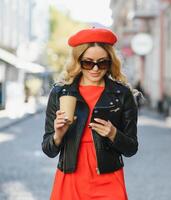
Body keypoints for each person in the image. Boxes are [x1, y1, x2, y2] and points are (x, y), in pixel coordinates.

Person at [42, 27, 138, 200]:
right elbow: (48, 150)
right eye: (88, 63)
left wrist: (113, 134)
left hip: (109, 178)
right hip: (71, 177)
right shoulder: (60, 92)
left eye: (102, 63)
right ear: (78, 61)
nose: (95, 69)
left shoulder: (122, 94)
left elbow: (131, 148)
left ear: (110, 62)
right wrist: (58, 135)